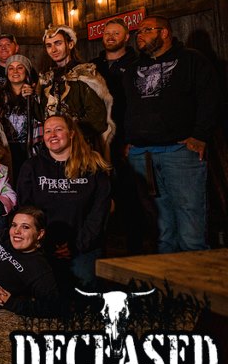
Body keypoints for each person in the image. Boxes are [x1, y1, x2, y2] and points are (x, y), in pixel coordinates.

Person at [124, 15, 222, 253]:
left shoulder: (191, 60)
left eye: (146, 30)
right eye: (138, 31)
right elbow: (128, 106)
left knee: (190, 227)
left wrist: (200, 135)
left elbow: (210, 99)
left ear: (164, 33)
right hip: (142, 156)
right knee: (160, 230)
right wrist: (129, 140)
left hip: (179, 152)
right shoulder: (134, 68)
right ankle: (165, 276)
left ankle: (195, 275)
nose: (140, 35)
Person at [17, 115, 111, 290]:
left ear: (72, 134)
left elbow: (99, 213)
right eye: (48, 131)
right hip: (43, 244)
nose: (52, 135)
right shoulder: (31, 167)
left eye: (58, 129)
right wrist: (43, 242)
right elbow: (25, 210)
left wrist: (77, 244)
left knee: (84, 290)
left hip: (82, 245)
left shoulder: (93, 166)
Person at [92, 18, 146, 253]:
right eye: (107, 33)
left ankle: (134, 250)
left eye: (116, 33)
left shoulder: (137, 64)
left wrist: (131, 139)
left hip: (125, 139)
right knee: (102, 195)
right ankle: (103, 249)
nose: (110, 37)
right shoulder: (93, 66)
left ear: (126, 37)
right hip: (98, 140)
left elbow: (140, 106)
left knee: (131, 196)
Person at [38, 25, 113, 153]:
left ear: (70, 44)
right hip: (55, 147)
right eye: (49, 46)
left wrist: (69, 134)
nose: (53, 49)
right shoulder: (47, 80)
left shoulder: (85, 75)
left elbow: (97, 118)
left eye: (58, 43)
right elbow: (42, 114)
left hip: (81, 146)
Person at [0, 54, 43, 179]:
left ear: (27, 72)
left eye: (20, 67)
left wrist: (32, 98)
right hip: (6, 147)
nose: (15, 71)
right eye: (11, 68)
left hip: (28, 147)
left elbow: (41, 117)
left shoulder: (36, 95)